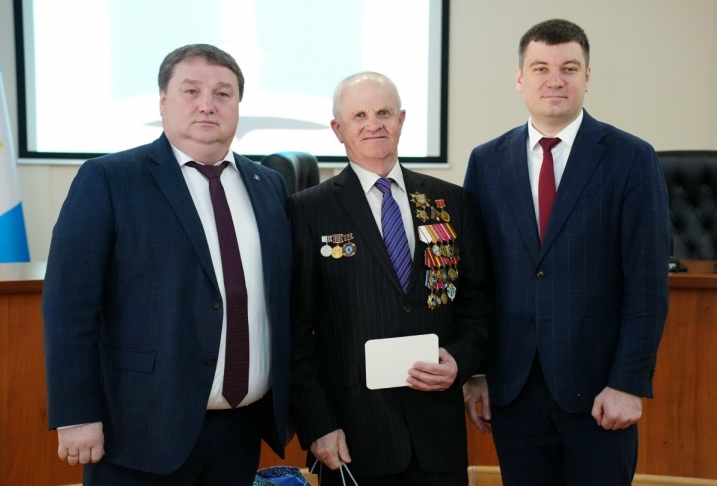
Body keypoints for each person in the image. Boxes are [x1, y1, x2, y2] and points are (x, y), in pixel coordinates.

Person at [42, 44, 292, 486]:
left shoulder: (268, 184)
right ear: (162, 100)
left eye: (223, 93)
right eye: (191, 90)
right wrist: (76, 413)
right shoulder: (110, 179)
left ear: (238, 104)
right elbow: (69, 308)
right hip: (139, 430)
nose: (207, 104)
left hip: (240, 431)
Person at [462, 19, 670, 486]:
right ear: (519, 78)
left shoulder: (631, 158)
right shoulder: (486, 161)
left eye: (569, 68)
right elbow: (477, 280)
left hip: (600, 393)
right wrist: (476, 373)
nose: (554, 80)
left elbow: (647, 285)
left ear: (587, 77)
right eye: (540, 68)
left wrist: (628, 383)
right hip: (513, 392)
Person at [289, 72, 491, 486]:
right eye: (359, 115)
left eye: (383, 112)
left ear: (401, 119)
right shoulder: (307, 211)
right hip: (353, 434)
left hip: (437, 432)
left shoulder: (451, 200)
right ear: (338, 129)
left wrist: (462, 360)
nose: (373, 124)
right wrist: (318, 424)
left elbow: (479, 300)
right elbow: (293, 332)